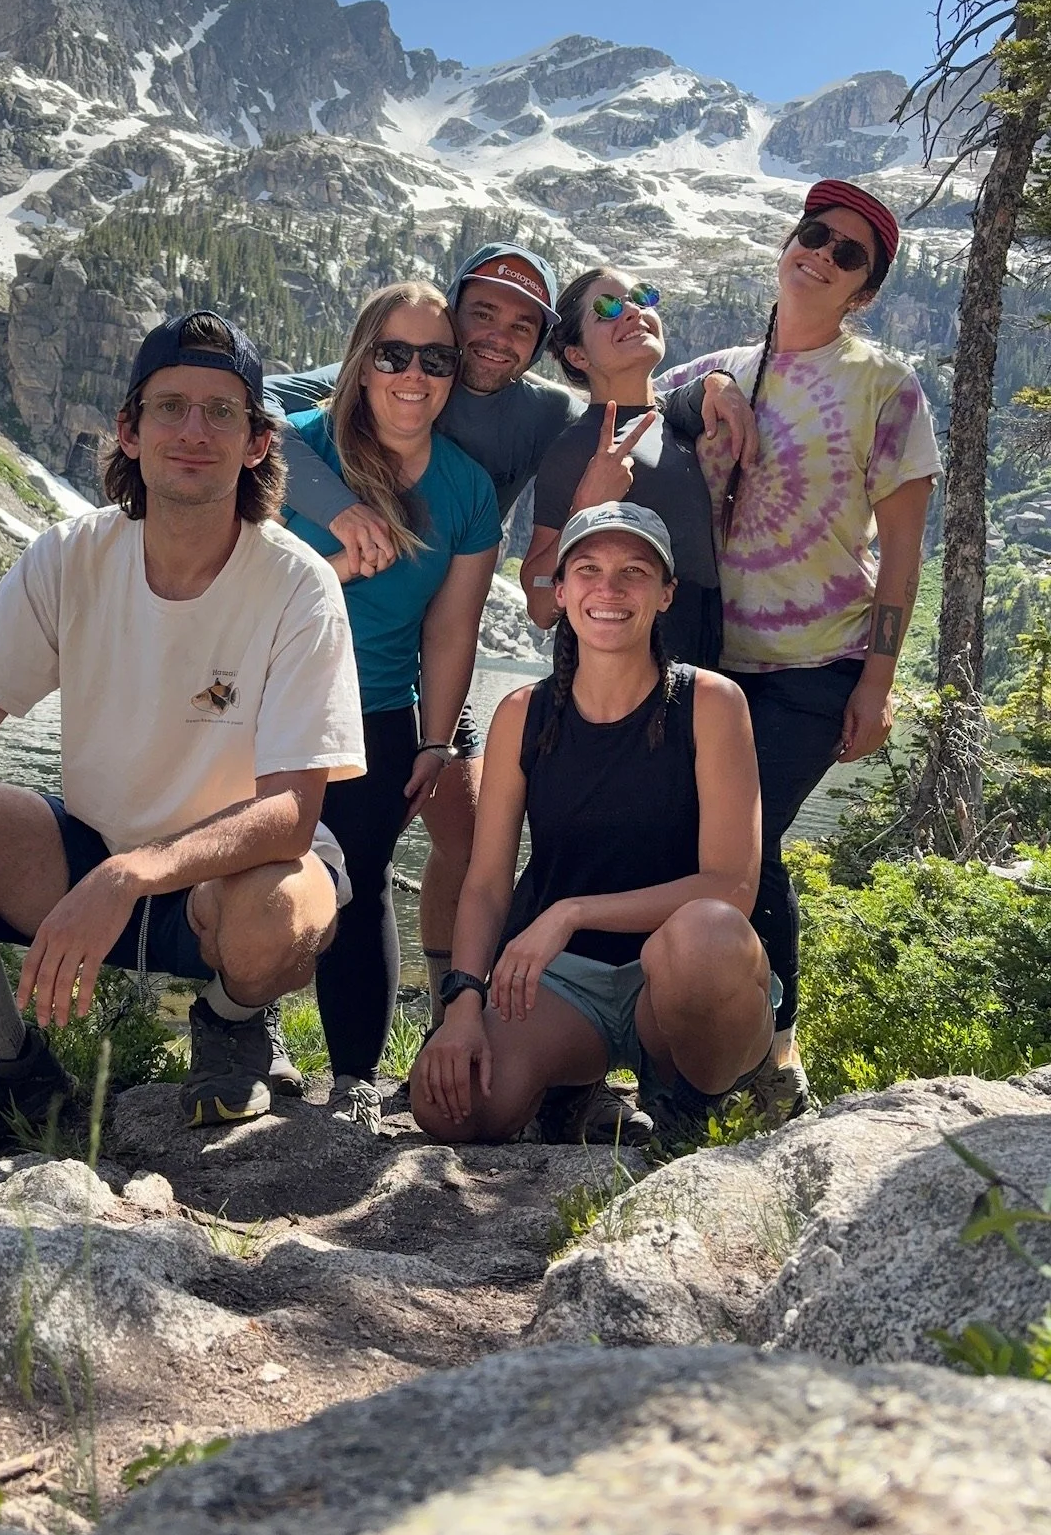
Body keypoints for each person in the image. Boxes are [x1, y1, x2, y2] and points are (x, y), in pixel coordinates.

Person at [0, 310, 366, 1178]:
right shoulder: (72, 556)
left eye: (221, 411)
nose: (193, 432)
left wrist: (129, 876)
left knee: (282, 911)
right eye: (170, 408)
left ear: (256, 443)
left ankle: (234, 1024)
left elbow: (290, 811)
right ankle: (8, 1070)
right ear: (129, 432)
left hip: (229, 873)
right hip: (91, 848)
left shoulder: (297, 584)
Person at [267, 244, 756, 1017]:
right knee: (330, 843)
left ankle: (444, 1005)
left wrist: (708, 390)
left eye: (521, 324)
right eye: (481, 316)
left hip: (439, 634)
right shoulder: (399, 368)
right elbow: (249, 410)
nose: (495, 338)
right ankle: (304, 1005)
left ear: (541, 345)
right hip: (332, 652)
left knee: (458, 830)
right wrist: (336, 509)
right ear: (448, 321)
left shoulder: (548, 411)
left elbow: (628, 401)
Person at [655, 178, 940, 1119]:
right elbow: (625, 404)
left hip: (818, 670)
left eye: (848, 253)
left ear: (864, 290)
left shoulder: (887, 390)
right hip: (707, 664)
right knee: (709, 847)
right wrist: (711, 386)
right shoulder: (723, 365)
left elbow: (902, 553)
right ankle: (725, 1050)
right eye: (814, 234)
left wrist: (880, 680)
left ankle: (765, 1056)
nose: (820, 254)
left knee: (740, 845)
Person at [411, 501, 773, 1151]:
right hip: (559, 982)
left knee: (708, 935)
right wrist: (463, 1003)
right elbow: (488, 884)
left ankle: (690, 1107)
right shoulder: (524, 713)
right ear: (562, 588)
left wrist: (572, 911)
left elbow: (731, 888)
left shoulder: (712, 704)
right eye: (589, 569)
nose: (609, 589)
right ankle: (564, 1088)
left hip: (678, 974)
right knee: (448, 1108)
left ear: (665, 593)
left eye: (634, 571)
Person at [280, 283, 501, 1131]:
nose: (415, 375)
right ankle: (246, 1037)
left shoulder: (466, 488)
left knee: (360, 881)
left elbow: (451, 630)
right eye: (394, 354)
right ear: (362, 363)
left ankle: (353, 1083)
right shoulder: (296, 450)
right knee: (252, 870)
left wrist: (436, 741)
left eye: (436, 359)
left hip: (375, 714)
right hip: (262, 703)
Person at [523, 268, 722, 666]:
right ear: (577, 355)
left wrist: (719, 383)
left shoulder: (684, 420)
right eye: (607, 308)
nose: (631, 311)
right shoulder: (577, 448)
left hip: (706, 666)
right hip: (625, 680)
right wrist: (585, 507)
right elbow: (541, 603)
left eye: (642, 297)